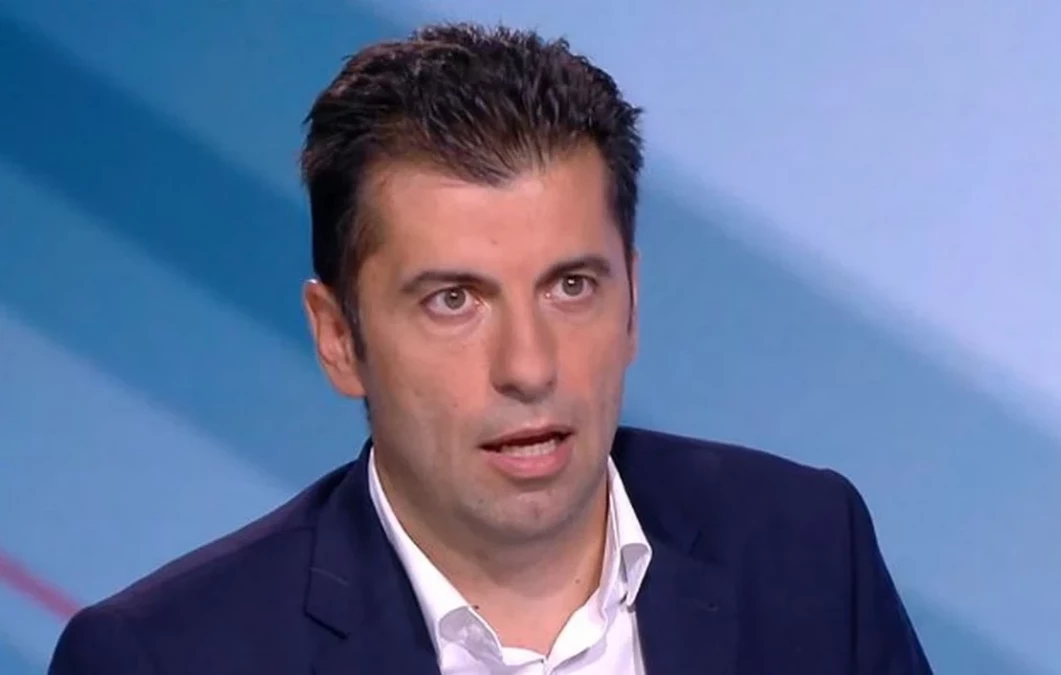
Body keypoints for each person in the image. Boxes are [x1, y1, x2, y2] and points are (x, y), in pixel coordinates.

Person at [48, 22, 932, 674]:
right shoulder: (167, 657)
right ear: (339, 337)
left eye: (571, 286)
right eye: (454, 300)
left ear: (632, 301)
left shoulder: (805, 550)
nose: (529, 367)